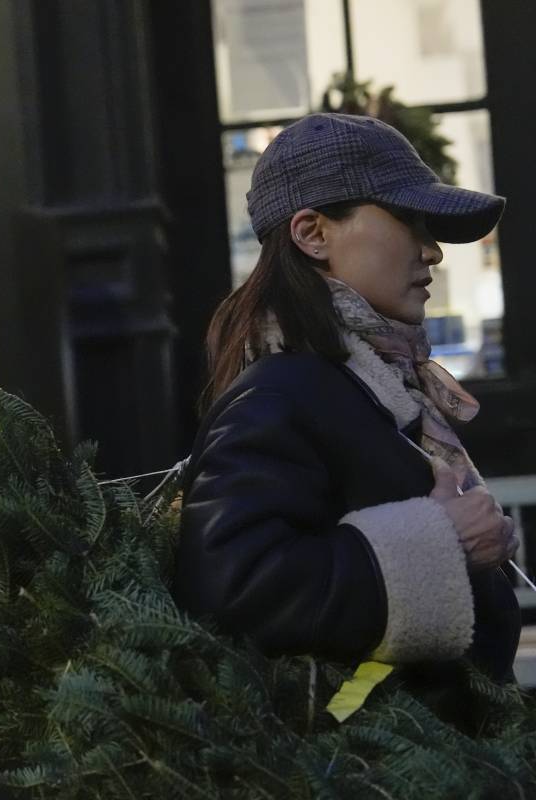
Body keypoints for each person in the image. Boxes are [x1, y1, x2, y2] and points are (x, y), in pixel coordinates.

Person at [172, 113, 521, 693]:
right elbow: (229, 593)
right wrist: (445, 540)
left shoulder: (362, 385)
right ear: (312, 234)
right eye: (408, 219)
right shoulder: (280, 394)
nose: (432, 251)